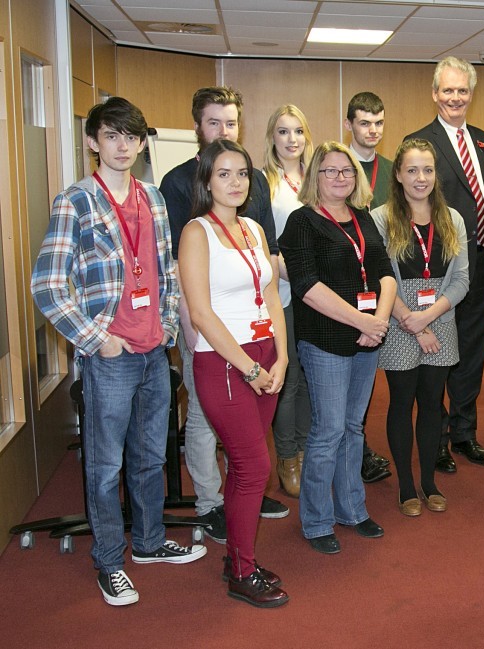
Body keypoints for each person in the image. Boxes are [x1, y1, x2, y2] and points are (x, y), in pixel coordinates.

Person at [31, 98, 206, 607]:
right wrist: (96, 339)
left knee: (151, 457)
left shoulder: (151, 197)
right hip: (110, 355)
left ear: (141, 142)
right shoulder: (76, 201)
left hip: (155, 350)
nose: (123, 145)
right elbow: (47, 286)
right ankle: (110, 559)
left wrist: (170, 324)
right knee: (105, 465)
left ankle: (149, 543)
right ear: (93, 142)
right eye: (112, 135)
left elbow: (166, 271)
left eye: (131, 136)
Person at [160, 86, 289, 541]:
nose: (222, 130)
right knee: (201, 418)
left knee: (249, 435)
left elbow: (267, 260)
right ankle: (212, 502)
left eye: (230, 123)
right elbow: (186, 276)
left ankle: (242, 490)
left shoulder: (252, 188)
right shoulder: (179, 184)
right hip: (207, 330)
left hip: (253, 325)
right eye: (214, 122)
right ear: (199, 126)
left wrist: (278, 351)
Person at [179, 139, 289, 608]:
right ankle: (242, 571)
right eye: (224, 174)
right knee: (254, 467)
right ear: (206, 181)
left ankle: (236, 557)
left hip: (265, 356)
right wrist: (250, 368)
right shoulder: (196, 232)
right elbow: (201, 314)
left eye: (242, 173)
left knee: (246, 467)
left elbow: (270, 297)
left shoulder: (253, 230)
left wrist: (280, 358)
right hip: (226, 362)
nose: (235, 182)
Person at [279, 141, 396, 554]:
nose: (340, 177)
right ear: (316, 177)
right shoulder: (302, 222)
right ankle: (316, 520)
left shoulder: (363, 219)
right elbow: (307, 287)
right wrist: (362, 320)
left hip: (367, 339)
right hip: (326, 340)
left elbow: (384, 273)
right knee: (327, 431)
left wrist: (378, 322)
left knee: (352, 427)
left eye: (347, 170)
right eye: (330, 171)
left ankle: (352, 509)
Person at [406, 57, 484, 474]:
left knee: (473, 352)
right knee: (439, 352)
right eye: (448, 90)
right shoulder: (419, 141)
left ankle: (465, 433)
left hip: (481, 264)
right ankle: (438, 438)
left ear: (471, 94)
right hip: (440, 269)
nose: (455, 98)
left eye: (462, 90)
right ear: (434, 93)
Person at [370, 139, 468, 515]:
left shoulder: (452, 219)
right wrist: (409, 319)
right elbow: (380, 277)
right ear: (398, 174)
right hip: (397, 320)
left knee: (432, 404)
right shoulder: (381, 218)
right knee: (401, 402)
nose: (420, 178)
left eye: (427, 170)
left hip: (439, 318)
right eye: (412, 170)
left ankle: (429, 481)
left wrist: (427, 318)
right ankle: (407, 487)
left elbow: (461, 280)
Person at [343, 91, 393, 484]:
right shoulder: (335, 167)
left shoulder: (392, 169)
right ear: (349, 125)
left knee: (369, 375)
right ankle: (348, 451)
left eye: (378, 123)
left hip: (382, 280)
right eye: (364, 122)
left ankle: (358, 448)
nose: (372, 130)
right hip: (343, 285)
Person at [262, 104, 312, 499]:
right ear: (272, 137)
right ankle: (288, 458)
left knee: (315, 374)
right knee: (291, 377)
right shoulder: (263, 182)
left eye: (298, 131)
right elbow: (264, 242)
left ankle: (309, 448)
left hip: (321, 295)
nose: (291, 139)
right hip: (284, 292)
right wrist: (298, 278)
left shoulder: (318, 176)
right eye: (283, 131)